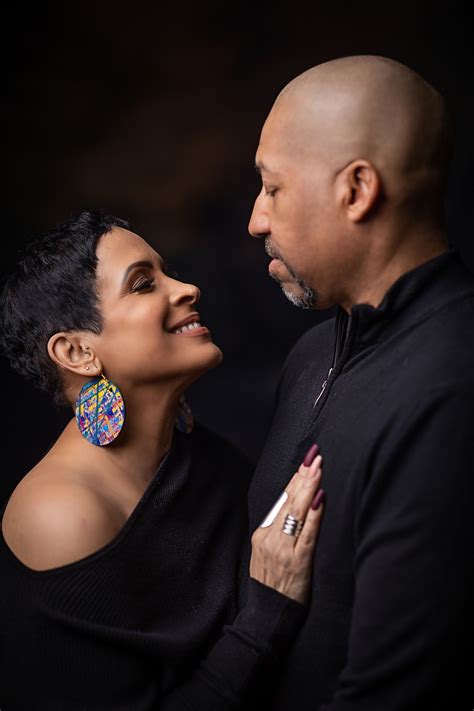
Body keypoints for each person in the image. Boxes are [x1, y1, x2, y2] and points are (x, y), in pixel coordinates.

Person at [0, 210, 326, 710]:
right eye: (143, 284)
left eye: (167, 272)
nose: (188, 288)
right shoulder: (60, 515)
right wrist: (267, 609)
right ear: (77, 351)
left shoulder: (188, 443)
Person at [244, 55, 474, 710]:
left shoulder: (454, 389)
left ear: (357, 190)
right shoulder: (313, 353)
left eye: (272, 188)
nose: (256, 220)